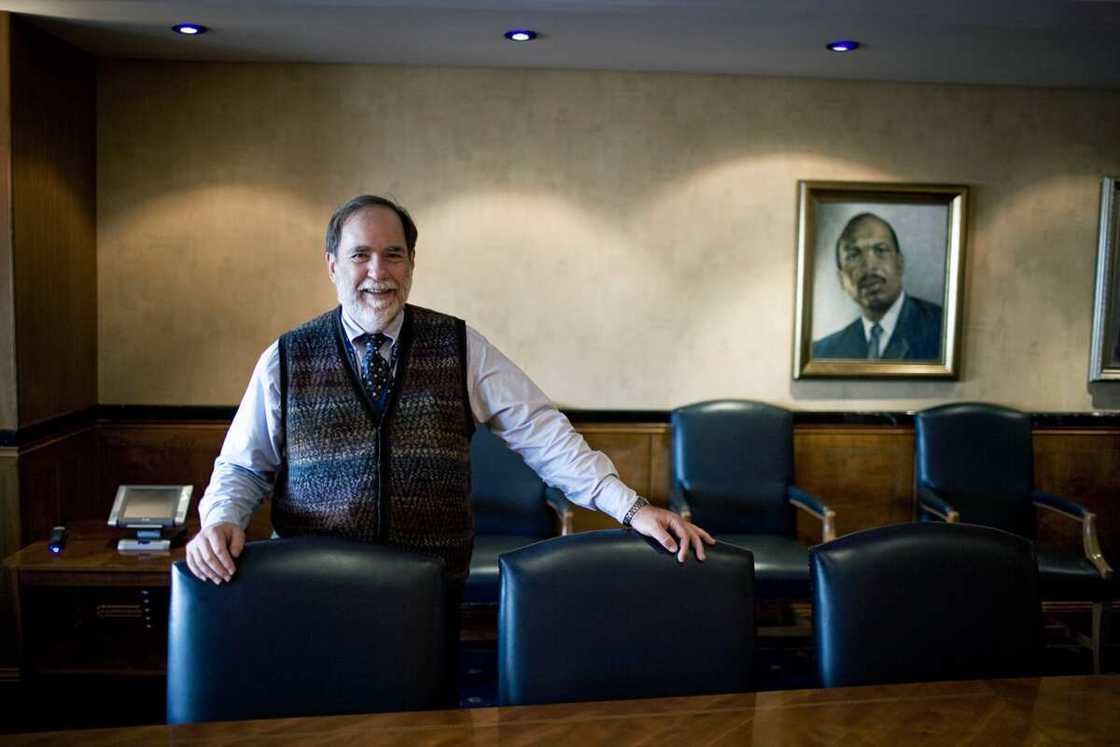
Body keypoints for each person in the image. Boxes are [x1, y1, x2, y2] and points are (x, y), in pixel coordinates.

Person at [186, 194, 714, 588]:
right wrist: (220, 521)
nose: (377, 272)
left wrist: (631, 508)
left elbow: (545, 435)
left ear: (412, 263)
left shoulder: (461, 346)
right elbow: (242, 467)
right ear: (332, 264)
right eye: (360, 255)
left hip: (429, 588)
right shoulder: (285, 357)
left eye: (393, 254)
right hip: (312, 587)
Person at [812, 212, 943, 361]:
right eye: (853, 255)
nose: (869, 266)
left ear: (900, 264)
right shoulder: (823, 353)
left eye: (880, 250)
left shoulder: (944, 329)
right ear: (841, 279)